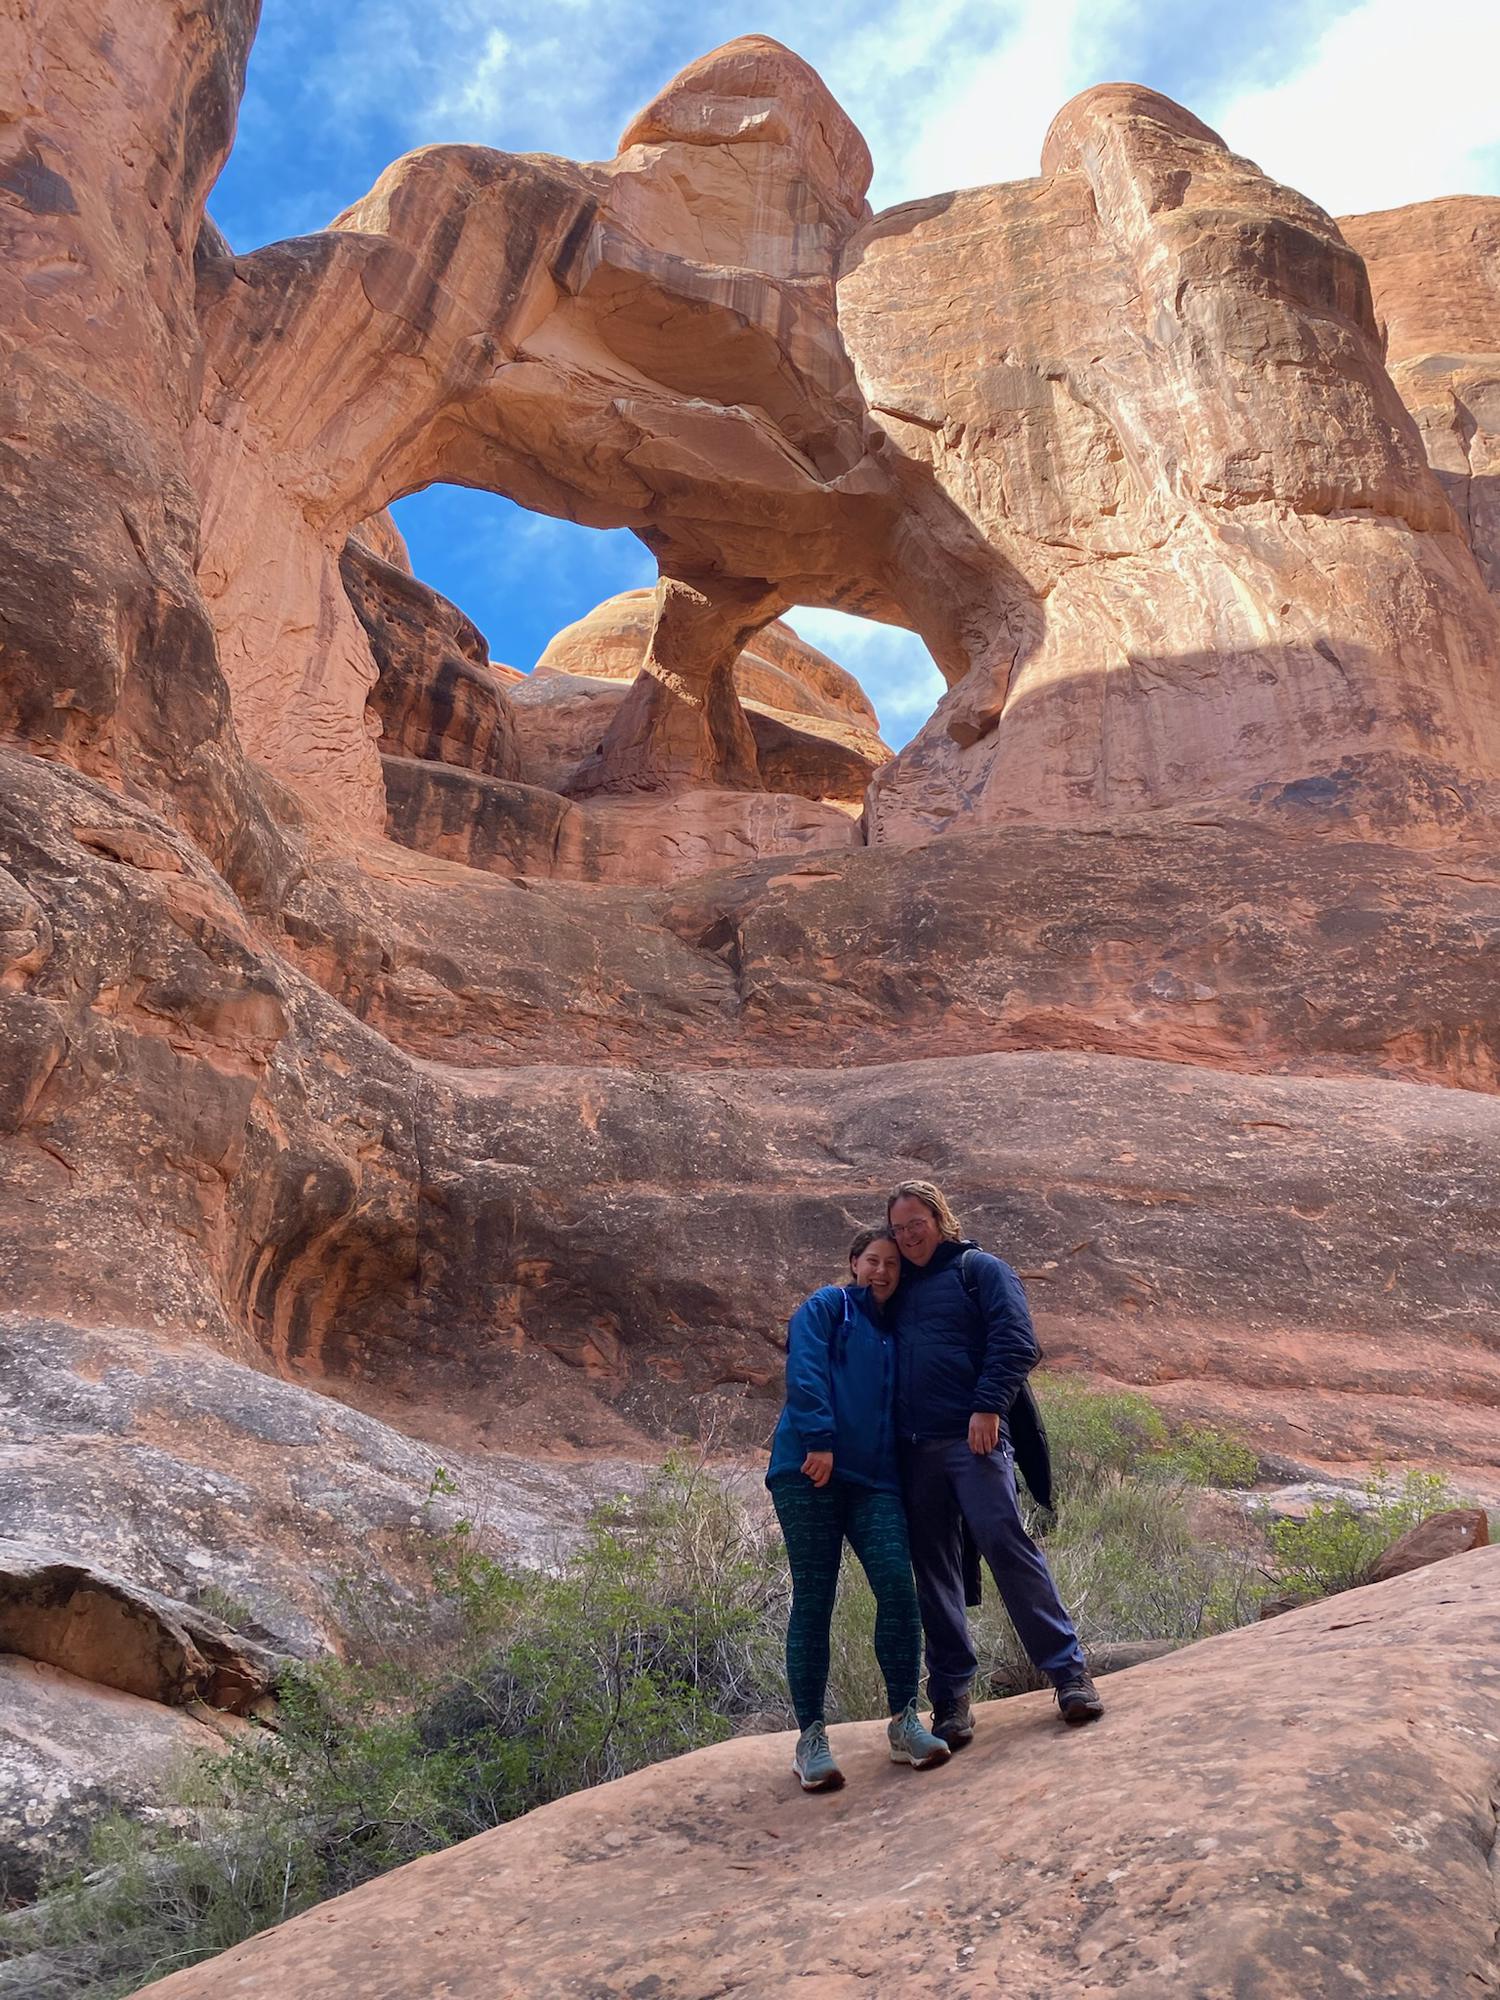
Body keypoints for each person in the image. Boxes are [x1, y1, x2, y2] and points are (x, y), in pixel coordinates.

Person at [886, 1179, 1102, 1748]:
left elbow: (1016, 1339)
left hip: (973, 1439)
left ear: (939, 1219)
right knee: (933, 1570)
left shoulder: (977, 1269)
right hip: (914, 1449)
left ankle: (1068, 1675)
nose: (909, 1236)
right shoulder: (898, 1288)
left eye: (917, 1223)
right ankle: (952, 1701)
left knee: (1007, 1545)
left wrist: (987, 1408)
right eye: (899, 1227)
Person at [767, 1225, 952, 1791]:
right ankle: (811, 1738)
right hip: (810, 1472)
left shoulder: (897, 1330)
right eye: (873, 1261)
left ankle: (904, 1720)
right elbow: (804, 1371)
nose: (882, 1272)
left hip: (875, 1481)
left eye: (893, 1265)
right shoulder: (829, 1307)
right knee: (815, 1597)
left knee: (898, 1586)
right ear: (854, 1263)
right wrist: (819, 1439)